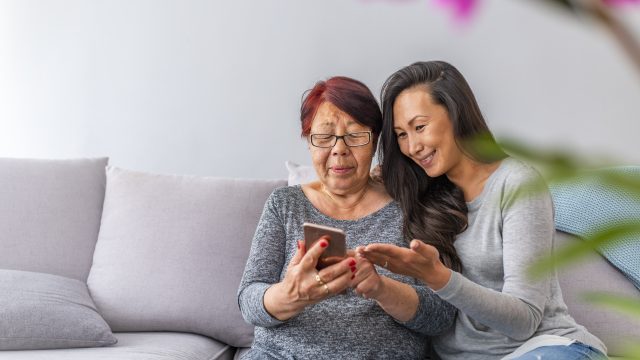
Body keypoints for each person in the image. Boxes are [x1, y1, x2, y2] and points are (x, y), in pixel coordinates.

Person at [359, 61, 608, 360]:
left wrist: (439, 277)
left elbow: (524, 319)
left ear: (456, 113)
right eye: (401, 135)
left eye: (420, 127)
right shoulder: (419, 193)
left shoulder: (516, 183)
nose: (412, 147)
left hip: (543, 348)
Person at [237, 76, 456, 359]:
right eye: (325, 137)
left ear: (374, 141)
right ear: (309, 142)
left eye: (354, 136)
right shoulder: (284, 204)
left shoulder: (409, 206)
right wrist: (290, 294)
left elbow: (440, 315)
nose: (339, 148)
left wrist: (381, 288)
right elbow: (248, 301)